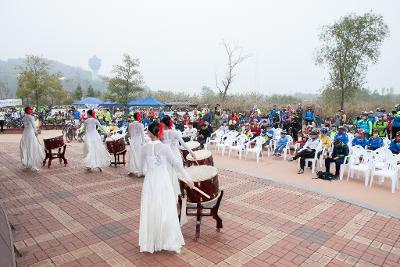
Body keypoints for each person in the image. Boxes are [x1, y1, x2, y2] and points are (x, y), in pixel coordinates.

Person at [139, 122, 194, 253]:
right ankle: (167, 240)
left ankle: (151, 241)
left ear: (149, 133)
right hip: (163, 181)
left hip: (150, 182)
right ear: (160, 133)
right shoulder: (165, 148)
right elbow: (177, 166)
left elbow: (143, 169)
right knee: (166, 208)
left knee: (151, 208)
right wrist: (188, 179)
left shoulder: (144, 148)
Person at [161, 115, 196, 198]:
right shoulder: (175, 132)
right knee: (178, 173)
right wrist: (191, 152)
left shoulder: (161, 133)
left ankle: (167, 191)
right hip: (175, 154)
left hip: (166, 156)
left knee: (168, 173)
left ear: (164, 124)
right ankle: (176, 191)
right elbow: (183, 144)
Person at [20, 107, 45, 171]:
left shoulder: (24, 117)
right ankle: (33, 165)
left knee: (27, 148)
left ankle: (28, 163)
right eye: (30, 110)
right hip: (31, 134)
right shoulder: (31, 117)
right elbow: (34, 126)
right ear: (29, 111)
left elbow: (26, 126)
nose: (31, 111)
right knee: (33, 148)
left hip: (25, 134)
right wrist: (36, 132)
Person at [128, 112, 146, 176]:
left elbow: (129, 134)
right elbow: (143, 135)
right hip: (139, 141)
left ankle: (131, 169)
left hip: (132, 141)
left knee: (132, 155)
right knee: (139, 155)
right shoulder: (141, 125)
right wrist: (144, 143)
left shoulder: (130, 124)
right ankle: (139, 169)